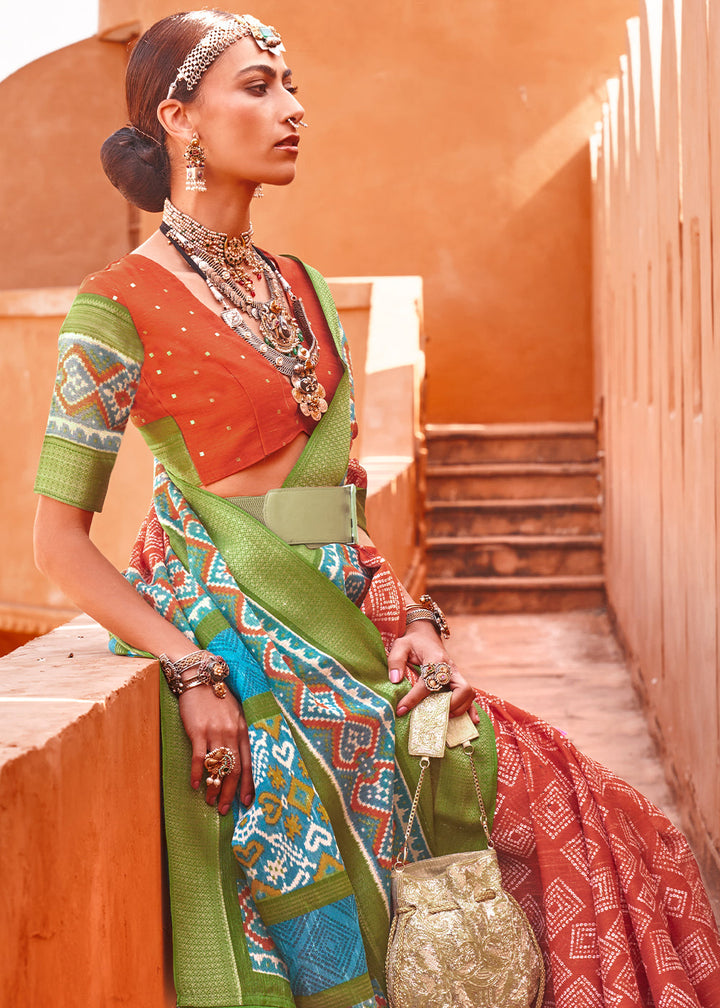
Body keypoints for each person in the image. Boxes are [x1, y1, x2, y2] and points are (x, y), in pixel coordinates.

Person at [32, 10, 720, 1008]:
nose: (293, 107)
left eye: (291, 83)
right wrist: (185, 664)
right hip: (248, 644)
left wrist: (420, 624)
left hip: (359, 629)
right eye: (258, 87)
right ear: (178, 118)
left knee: (616, 831)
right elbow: (57, 546)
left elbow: (338, 513)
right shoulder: (115, 306)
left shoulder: (302, 285)